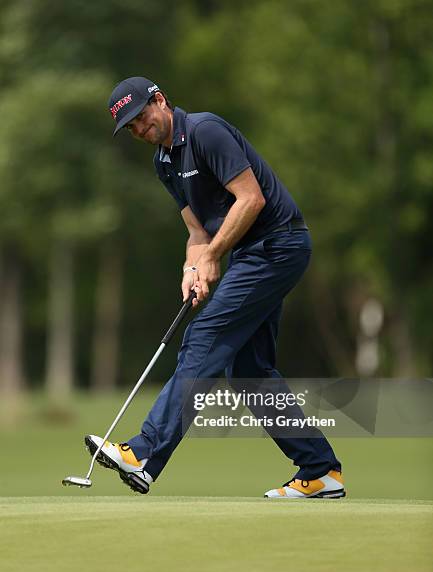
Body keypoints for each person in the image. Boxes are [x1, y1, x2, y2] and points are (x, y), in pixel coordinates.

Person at [86, 76, 345, 499]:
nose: (139, 129)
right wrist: (193, 265)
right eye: (130, 127)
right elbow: (195, 231)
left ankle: (144, 453)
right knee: (249, 373)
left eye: (140, 117)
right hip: (252, 254)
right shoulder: (163, 162)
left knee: (204, 337)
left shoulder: (205, 131)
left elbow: (251, 199)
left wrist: (212, 256)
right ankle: (321, 472)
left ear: (160, 100)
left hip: (278, 244)